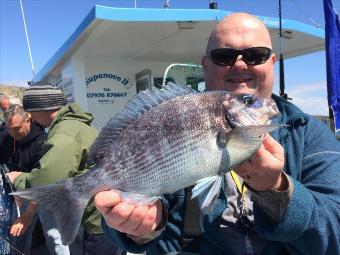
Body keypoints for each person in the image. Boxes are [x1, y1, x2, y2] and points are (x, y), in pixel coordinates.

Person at [93, 13, 340, 255]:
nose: (241, 64)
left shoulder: (307, 133)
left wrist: (275, 189)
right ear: (205, 64)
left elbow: (334, 234)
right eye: (224, 56)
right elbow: (152, 236)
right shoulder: (175, 117)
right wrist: (140, 229)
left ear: (272, 62)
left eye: (256, 55)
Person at [6, 85, 125, 255]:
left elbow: (48, 177)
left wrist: (18, 178)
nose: (31, 118)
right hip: (106, 216)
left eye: (31, 111)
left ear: (41, 108)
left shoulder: (65, 133)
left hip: (99, 222)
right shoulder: (76, 124)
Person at [0, 104, 47, 254]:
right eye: (9, 129)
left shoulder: (43, 141)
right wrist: (15, 190)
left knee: (53, 234)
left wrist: (28, 213)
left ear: (28, 120)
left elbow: (44, 181)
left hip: (42, 190)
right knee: (18, 233)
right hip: (17, 190)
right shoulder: (7, 136)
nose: (13, 133)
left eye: (17, 128)